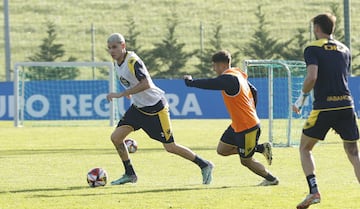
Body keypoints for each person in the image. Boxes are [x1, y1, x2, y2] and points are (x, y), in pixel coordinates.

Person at [106, 33, 214, 185]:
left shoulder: (133, 61)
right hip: (138, 109)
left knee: (170, 147)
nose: (112, 51)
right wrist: (130, 93)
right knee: (116, 138)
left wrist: (123, 93)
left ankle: (205, 165)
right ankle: (130, 174)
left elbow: (146, 84)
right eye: (109, 48)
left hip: (155, 109)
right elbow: (133, 83)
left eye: (115, 47)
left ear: (123, 46)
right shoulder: (117, 63)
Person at [293, 13, 360, 209]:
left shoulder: (312, 48)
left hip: (324, 107)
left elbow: (312, 77)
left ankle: (314, 191)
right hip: (347, 104)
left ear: (316, 28)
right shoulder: (344, 49)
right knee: (353, 152)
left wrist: (301, 97)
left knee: (305, 148)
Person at [184, 50, 278, 186]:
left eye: (214, 66)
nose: (213, 69)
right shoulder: (237, 73)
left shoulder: (228, 79)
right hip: (238, 124)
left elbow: (211, 83)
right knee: (222, 150)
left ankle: (272, 179)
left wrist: (191, 82)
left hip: (247, 128)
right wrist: (250, 111)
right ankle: (260, 148)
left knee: (246, 161)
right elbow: (254, 91)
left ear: (221, 65)